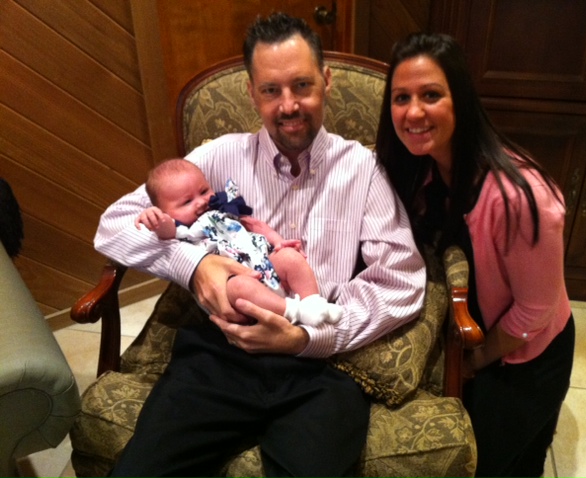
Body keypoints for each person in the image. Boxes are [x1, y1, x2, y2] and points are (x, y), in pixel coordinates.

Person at [94, 12, 426, 478]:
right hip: (218, 355)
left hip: (320, 368)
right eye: (271, 90)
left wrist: (311, 338)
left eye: (302, 86)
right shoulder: (216, 156)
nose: (288, 105)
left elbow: (401, 280)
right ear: (251, 93)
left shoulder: (362, 170)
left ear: (327, 81)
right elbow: (113, 226)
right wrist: (195, 264)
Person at [375, 32, 575, 478]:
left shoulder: (522, 197)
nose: (412, 112)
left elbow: (535, 310)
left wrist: (475, 361)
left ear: (461, 99)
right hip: (484, 329)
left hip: (527, 354)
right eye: (401, 97)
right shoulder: (426, 166)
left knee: (495, 463)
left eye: (431, 95)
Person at [136, 158, 342, 326]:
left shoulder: (224, 210)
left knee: (290, 257)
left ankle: (314, 302)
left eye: (204, 191)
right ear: (165, 212)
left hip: (266, 264)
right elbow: (166, 232)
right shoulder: (184, 230)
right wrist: (155, 219)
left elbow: (256, 225)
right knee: (240, 286)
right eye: (187, 201)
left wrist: (279, 242)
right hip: (233, 282)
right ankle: (295, 312)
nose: (201, 202)